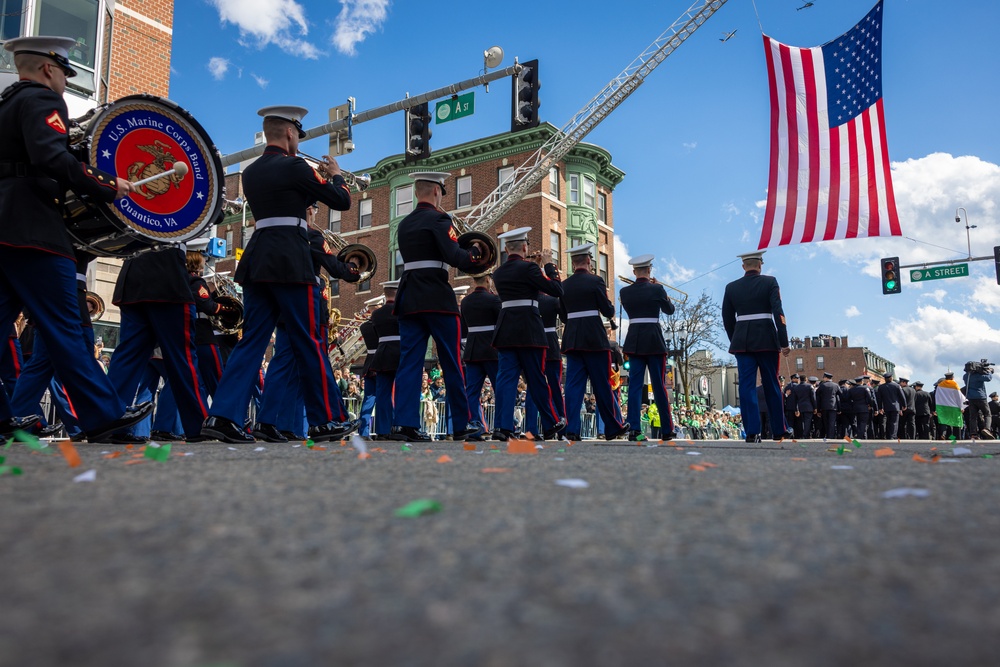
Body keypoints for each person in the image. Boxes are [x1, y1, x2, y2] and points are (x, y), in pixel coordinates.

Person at [0, 36, 152, 440]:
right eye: (65, 73)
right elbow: (52, 157)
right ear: (50, 68)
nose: (65, 82)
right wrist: (107, 184)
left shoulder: (5, 104)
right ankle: (101, 415)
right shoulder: (43, 101)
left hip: (3, 225)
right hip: (33, 229)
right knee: (67, 327)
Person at [202, 105, 358, 443]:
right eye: (297, 136)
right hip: (289, 260)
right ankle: (326, 419)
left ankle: (223, 416)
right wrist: (336, 173)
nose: (298, 142)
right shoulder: (296, 166)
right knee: (309, 341)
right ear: (290, 133)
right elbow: (342, 201)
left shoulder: (252, 172)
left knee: (252, 341)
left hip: (259, 258)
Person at [389, 172, 488, 442]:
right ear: (436, 192)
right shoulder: (440, 219)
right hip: (437, 299)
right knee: (452, 363)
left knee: (409, 362)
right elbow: (455, 256)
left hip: (409, 297)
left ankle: (404, 424)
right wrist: (476, 253)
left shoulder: (404, 224)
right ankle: (462, 424)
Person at [490, 228, 565, 441]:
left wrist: (537, 268)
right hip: (529, 330)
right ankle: (550, 422)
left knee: (506, 379)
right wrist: (549, 265)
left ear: (506, 249)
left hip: (506, 330)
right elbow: (557, 290)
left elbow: (524, 282)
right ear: (525, 247)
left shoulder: (499, 272)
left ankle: (502, 427)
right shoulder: (530, 268)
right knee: (537, 378)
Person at [721, 250, 791, 442]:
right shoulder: (770, 282)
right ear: (760, 264)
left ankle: (752, 432)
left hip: (742, 341)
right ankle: (779, 430)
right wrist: (783, 341)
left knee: (746, 387)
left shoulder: (731, 287)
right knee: (772, 385)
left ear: (743, 266)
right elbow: (779, 312)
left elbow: (727, 317)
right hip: (767, 339)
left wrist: (735, 338)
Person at [559, 243, 627, 441]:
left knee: (573, 386)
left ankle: (571, 429)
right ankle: (612, 428)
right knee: (602, 385)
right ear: (589, 260)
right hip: (594, 339)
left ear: (572, 263)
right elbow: (607, 311)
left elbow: (563, 315)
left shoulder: (564, 285)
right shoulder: (596, 280)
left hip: (572, 338)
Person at [619, 254, 675, 442]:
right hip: (653, 339)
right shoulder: (657, 288)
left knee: (634, 385)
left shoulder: (625, 292)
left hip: (634, 339)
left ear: (634, 272)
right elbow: (670, 310)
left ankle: (634, 428)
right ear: (649, 270)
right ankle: (667, 429)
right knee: (659, 385)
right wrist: (662, 291)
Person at [460, 272, 501, 441]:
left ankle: (474, 426)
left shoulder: (465, 301)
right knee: (500, 389)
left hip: (473, 349)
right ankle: (501, 425)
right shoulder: (494, 300)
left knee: (472, 391)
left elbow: (464, 327)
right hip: (492, 350)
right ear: (487, 279)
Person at [370, 281, 401, 439]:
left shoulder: (376, 314)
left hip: (382, 354)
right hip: (401, 353)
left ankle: (382, 430)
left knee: (382, 394)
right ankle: (400, 428)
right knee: (402, 392)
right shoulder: (403, 311)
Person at [963, 360, 994, 440]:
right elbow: (988, 378)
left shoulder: (966, 376)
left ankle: (973, 434)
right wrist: (988, 371)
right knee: (987, 414)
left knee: (973, 417)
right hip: (981, 397)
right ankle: (987, 429)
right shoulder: (977, 376)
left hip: (971, 398)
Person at [876, 372, 906, 440]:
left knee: (888, 422)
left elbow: (879, 399)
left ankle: (888, 435)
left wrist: (880, 408)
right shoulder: (897, 386)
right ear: (891, 378)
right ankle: (893, 436)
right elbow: (902, 396)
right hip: (895, 407)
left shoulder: (881, 387)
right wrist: (904, 405)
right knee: (894, 422)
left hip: (886, 407)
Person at [815, 372, 840, 439]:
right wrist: (839, 408)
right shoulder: (836, 385)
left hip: (824, 407)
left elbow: (818, 396)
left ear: (826, 378)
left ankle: (827, 434)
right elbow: (840, 395)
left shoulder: (822, 386)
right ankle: (831, 436)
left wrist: (818, 409)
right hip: (833, 406)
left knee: (826, 422)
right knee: (832, 422)